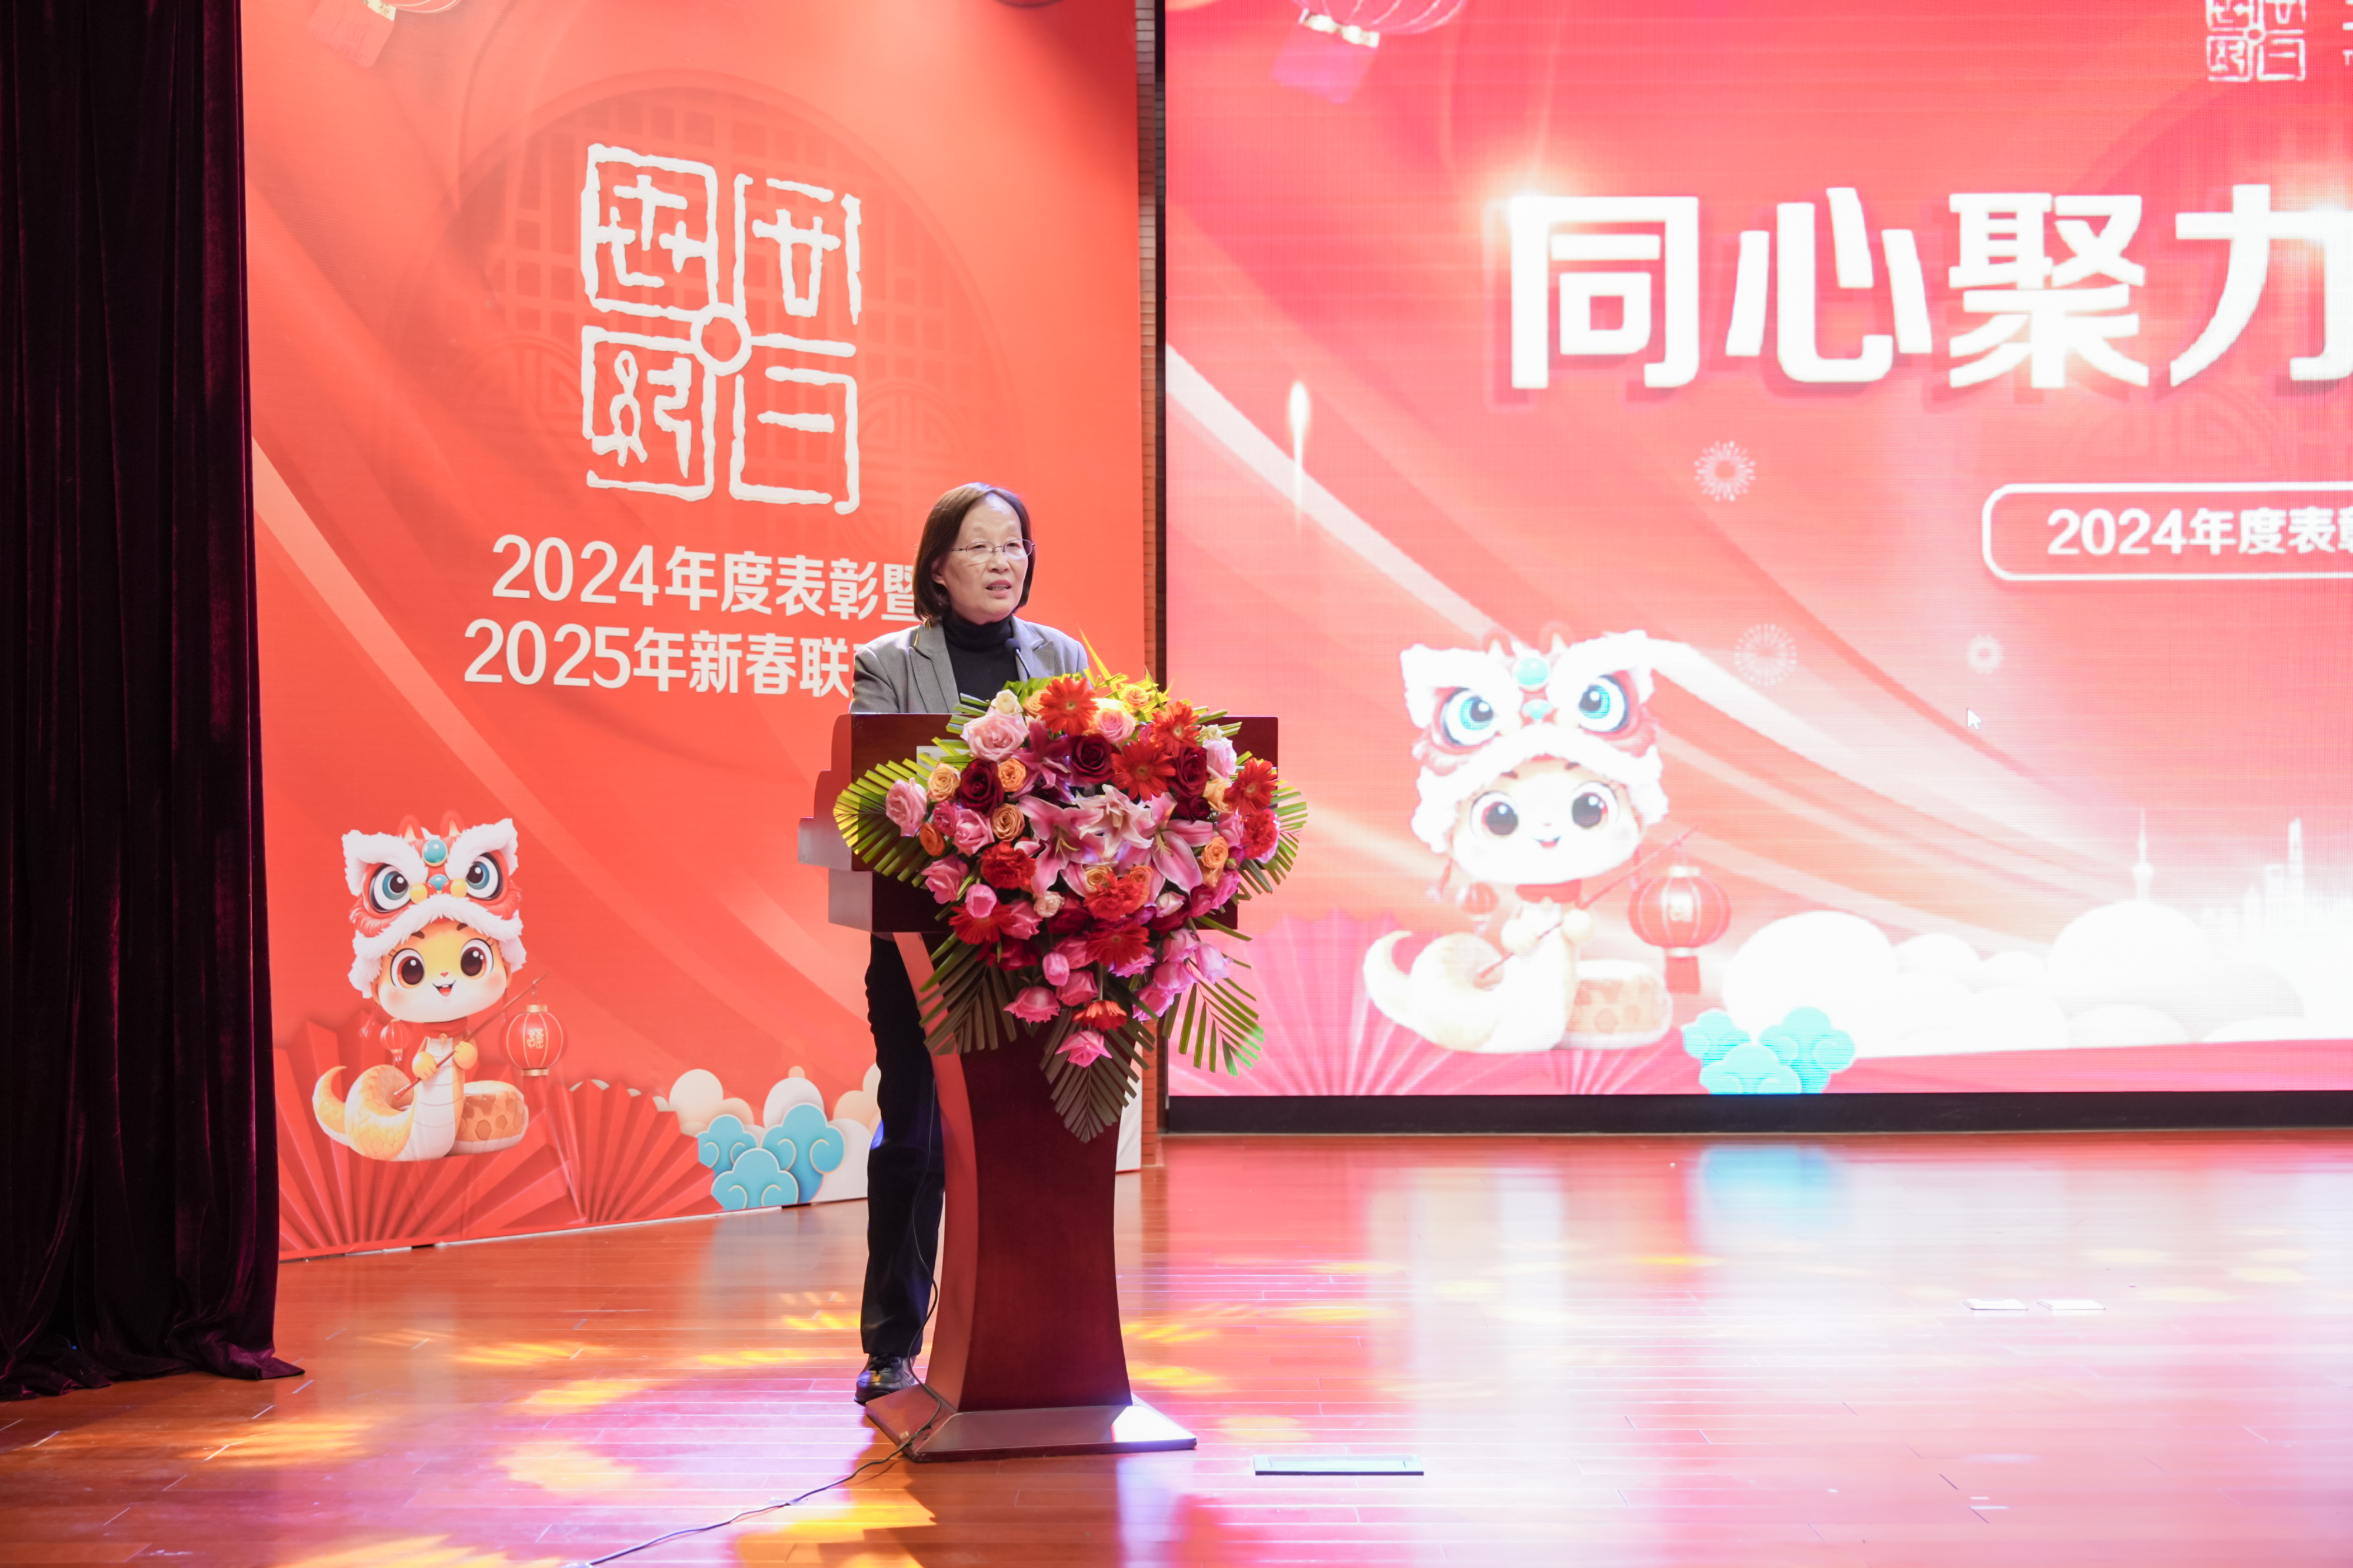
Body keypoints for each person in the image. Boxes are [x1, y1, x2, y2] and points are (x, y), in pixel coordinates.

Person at [847, 481, 1088, 1404]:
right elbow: (874, 796)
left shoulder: (1061, 658)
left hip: (1039, 940)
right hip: (922, 934)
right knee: (914, 1134)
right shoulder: (887, 662)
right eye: (981, 546)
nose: (1002, 562)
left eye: (1014, 544)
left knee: (1025, 1140)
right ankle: (892, 1343)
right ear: (939, 567)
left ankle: (1027, 1335)